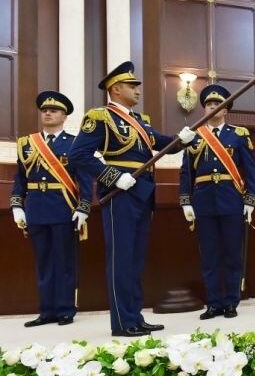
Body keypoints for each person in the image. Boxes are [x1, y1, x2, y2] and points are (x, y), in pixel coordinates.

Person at [69, 61, 196, 337]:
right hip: (120, 195)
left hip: (143, 193)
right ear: (115, 89)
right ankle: (122, 322)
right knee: (121, 259)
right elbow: (78, 155)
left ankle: (135, 316)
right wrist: (112, 176)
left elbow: (163, 143)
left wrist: (181, 139)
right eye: (132, 85)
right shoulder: (99, 117)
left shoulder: (140, 121)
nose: (138, 90)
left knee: (136, 261)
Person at [10, 91, 92, 327]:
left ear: (64, 116)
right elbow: (20, 179)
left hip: (64, 209)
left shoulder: (75, 143)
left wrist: (84, 207)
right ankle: (46, 311)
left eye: (53, 110)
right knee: (44, 262)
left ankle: (65, 310)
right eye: (45, 110)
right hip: (36, 210)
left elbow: (84, 179)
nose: (47, 113)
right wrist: (17, 205)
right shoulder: (27, 144)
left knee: (64, 262)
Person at [179, 84, 255, 320]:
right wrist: (186, 202)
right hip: (203, 202)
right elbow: (186, 172)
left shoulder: (238, 135)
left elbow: (251, 171)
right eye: (209, 105)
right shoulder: (194, 136)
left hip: (231, 200)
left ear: (226, 110)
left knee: (232, 254)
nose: (213, 107)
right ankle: (213, 303)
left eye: (217, 104)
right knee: (210, 255)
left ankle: (231, 302)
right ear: (203, 110)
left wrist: (250, 201)